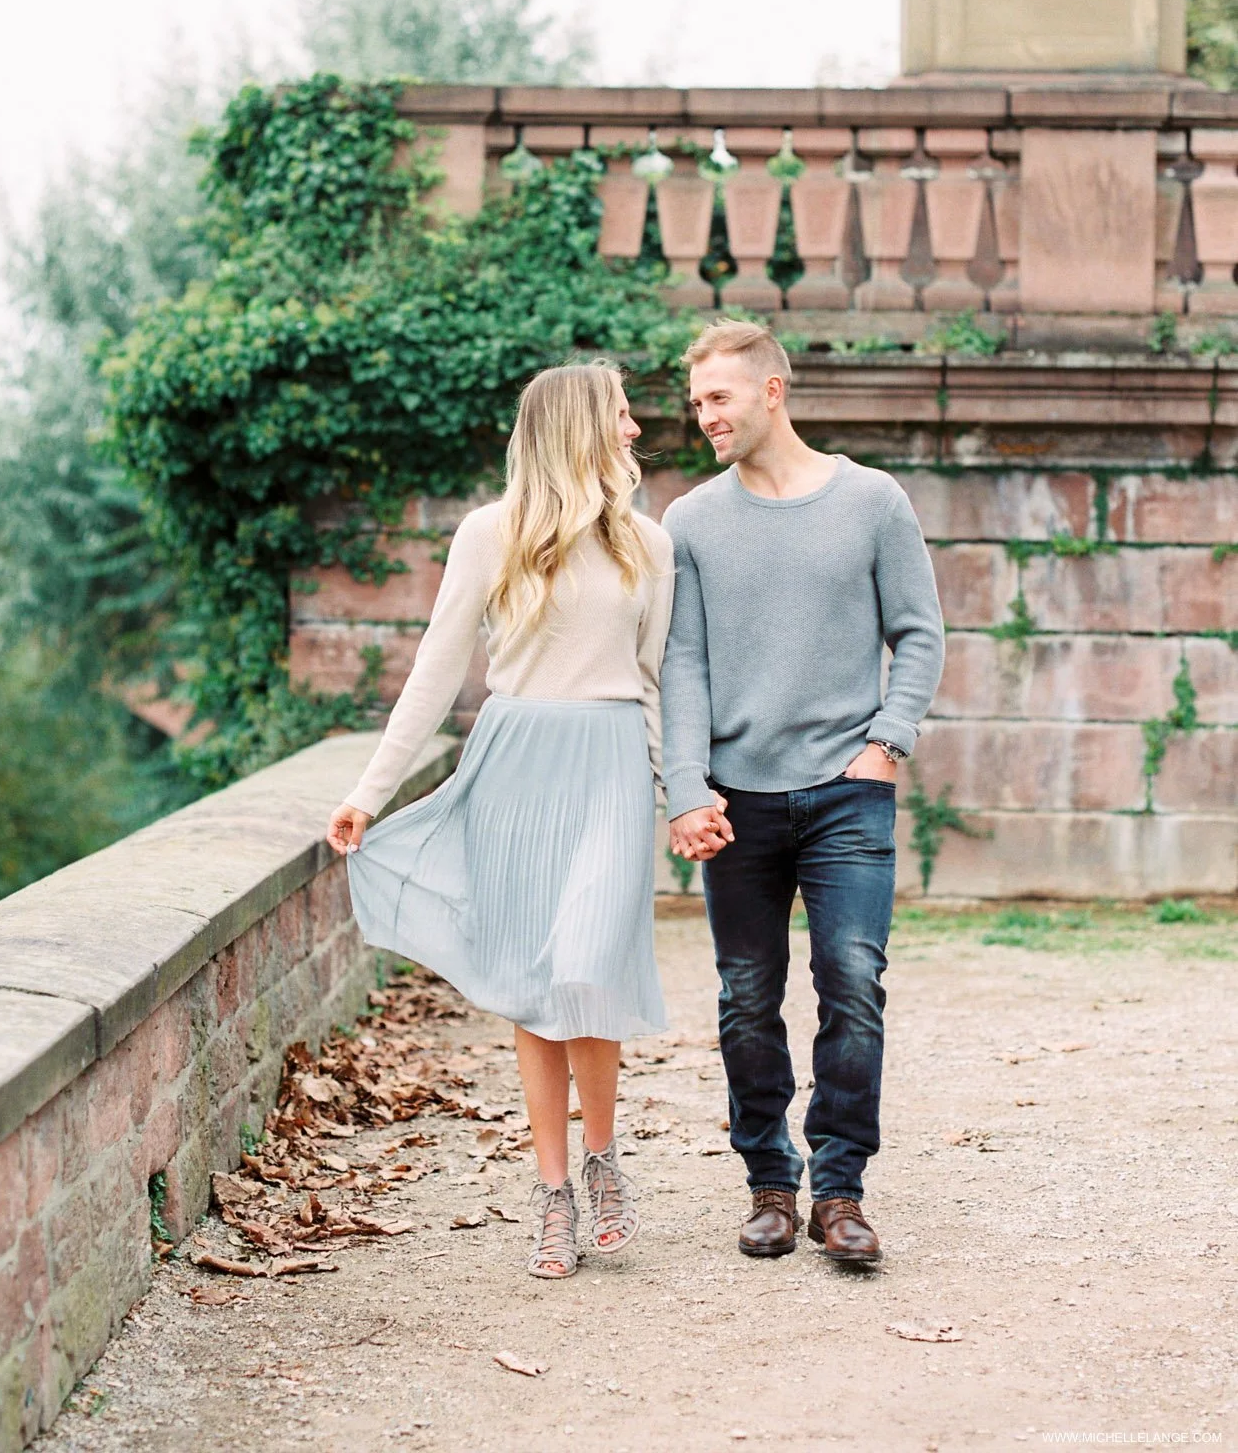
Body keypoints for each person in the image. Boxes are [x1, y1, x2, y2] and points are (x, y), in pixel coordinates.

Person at [325, 361, 676, 1281]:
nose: (636, 431)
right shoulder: (491, 534)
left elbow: (650, 682)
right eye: (622, 416)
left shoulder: (649, 543)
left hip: (607, 770)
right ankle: (553, 1191)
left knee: (588, 968)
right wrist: (370, 791)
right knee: (534, 983)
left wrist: (679, 794)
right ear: (575, 427)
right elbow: (437, 673)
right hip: (515, 766)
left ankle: (604, 1159)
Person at [661, 319, 944, 1264]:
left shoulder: (871, 501)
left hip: (847, 793)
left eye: (719, 397)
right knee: (746, 995)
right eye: (696, 400)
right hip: (736, 800)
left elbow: (919, 633)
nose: (704, 415)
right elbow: (683, 663)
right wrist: (685, 787)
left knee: (853, 984)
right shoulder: (691, 521)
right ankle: (770, 1186)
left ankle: (842, 1193)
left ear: (771, 391)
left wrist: (887, 744)